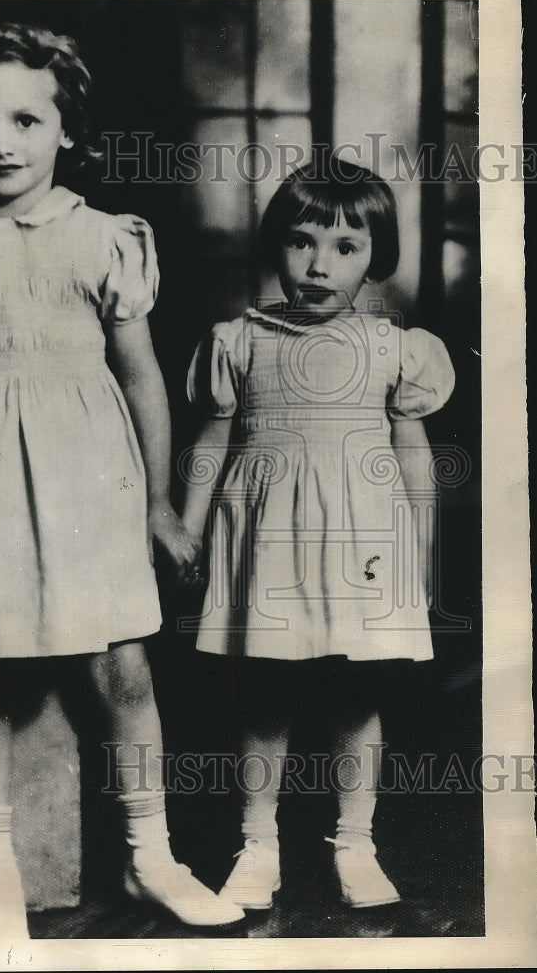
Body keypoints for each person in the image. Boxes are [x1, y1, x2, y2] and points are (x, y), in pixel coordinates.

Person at [0, 22, 245, 939]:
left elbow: (143, 377)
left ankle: (150, 855)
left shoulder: (103, 240)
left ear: (68, 128)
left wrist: (157, 500)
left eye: (26, 121)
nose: (1, 145)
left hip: (89, 486)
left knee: (123, 668)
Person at [181, 154, 455, 911]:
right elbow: (208, 447)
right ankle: (257, 845)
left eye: (345, 247)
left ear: (375, 257)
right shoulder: (236, 340)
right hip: (264, 539)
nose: (318, 264)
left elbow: (412, 458)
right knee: (264, 692)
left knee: (354, 695)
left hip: (361, 541)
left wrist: (421, 555)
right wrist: (190, 533)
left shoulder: (395, 347)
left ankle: (355, 844)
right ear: (275, 244)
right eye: (302, 241)